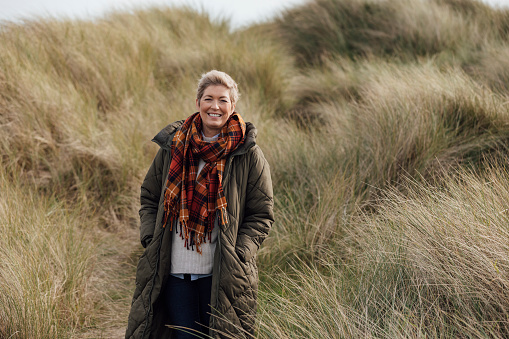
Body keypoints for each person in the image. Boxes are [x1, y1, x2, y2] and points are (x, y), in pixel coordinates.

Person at [125, 70, 274, 339]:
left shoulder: (247, 153)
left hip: (223, 274)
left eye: (223, 100)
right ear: (198, 103)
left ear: (233, 106)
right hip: (173, 271)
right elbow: (149, 196)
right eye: (208, 99)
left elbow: (261, 214)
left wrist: (240, 252)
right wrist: (150, 237)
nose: (214, 106)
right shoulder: (173, 146)